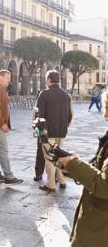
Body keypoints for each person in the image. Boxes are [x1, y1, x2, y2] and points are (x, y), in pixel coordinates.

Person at [58, 91, 108, 247]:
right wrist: (70, 165)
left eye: (107, 108)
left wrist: (73, 163)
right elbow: (98, 170)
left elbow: (104, 185)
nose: (105, 115)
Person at [36, 69, 72, 192]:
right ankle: (62, 181)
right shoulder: (66, 95)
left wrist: (39, 132)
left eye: (46, 79)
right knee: (60, 156)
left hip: (48, 132)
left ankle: (50, 184)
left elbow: (38, 115)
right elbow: (70, 115)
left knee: (50, 158)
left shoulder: (44, 94)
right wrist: (65, 126)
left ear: (49, 80)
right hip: (62, 132)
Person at [0, 69, 23, 185]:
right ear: (0, 77)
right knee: (3, 149)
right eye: (7, 78)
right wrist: (2, 123)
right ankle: (8, 176)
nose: (9, 80)